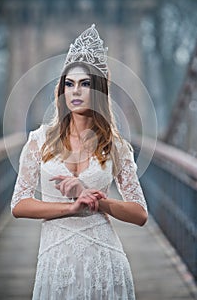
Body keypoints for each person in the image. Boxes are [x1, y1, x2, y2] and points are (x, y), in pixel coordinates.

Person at [10, 24, 148, 300]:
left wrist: (96, 200)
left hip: (106, 262)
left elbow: (140, 214)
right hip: (56, 261)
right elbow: (18, 205)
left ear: (98, 90)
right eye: (69, 84)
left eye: (85, 84)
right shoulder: (39, 141)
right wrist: (72, 208)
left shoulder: (116, 145)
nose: (76, 91)